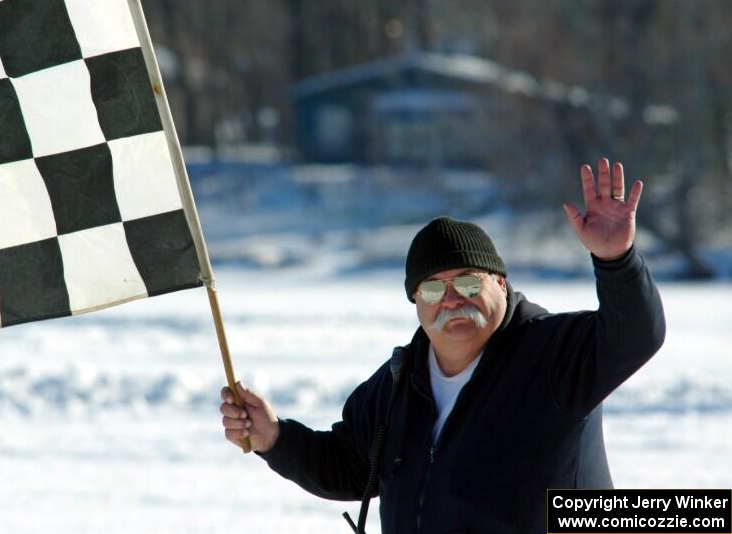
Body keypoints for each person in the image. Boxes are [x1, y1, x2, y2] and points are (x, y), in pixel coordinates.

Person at [220, 158, 665, 533]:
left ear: (500, 282)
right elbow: (351, 465)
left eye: (468, 282)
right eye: (432, 290)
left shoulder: (549, 354)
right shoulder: (398, 382)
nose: (451, 300)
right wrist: (274, 438)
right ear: (416, 302)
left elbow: (634, 337)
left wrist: (616, 261)